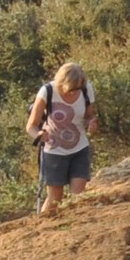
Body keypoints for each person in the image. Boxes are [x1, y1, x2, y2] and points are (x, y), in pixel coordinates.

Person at [28, 64, 100, 214]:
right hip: (53, 151)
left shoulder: (86, 89)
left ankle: (75, 226)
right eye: (71, 88)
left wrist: (91, 123)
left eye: (78, 88)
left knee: (78, 196)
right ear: (62, 83)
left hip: (80, 148)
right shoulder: (47, 91)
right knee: (55, 198)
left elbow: (89, 115)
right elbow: (31, 126)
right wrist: (39, 135)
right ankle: (43, 226)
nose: (74, 92)